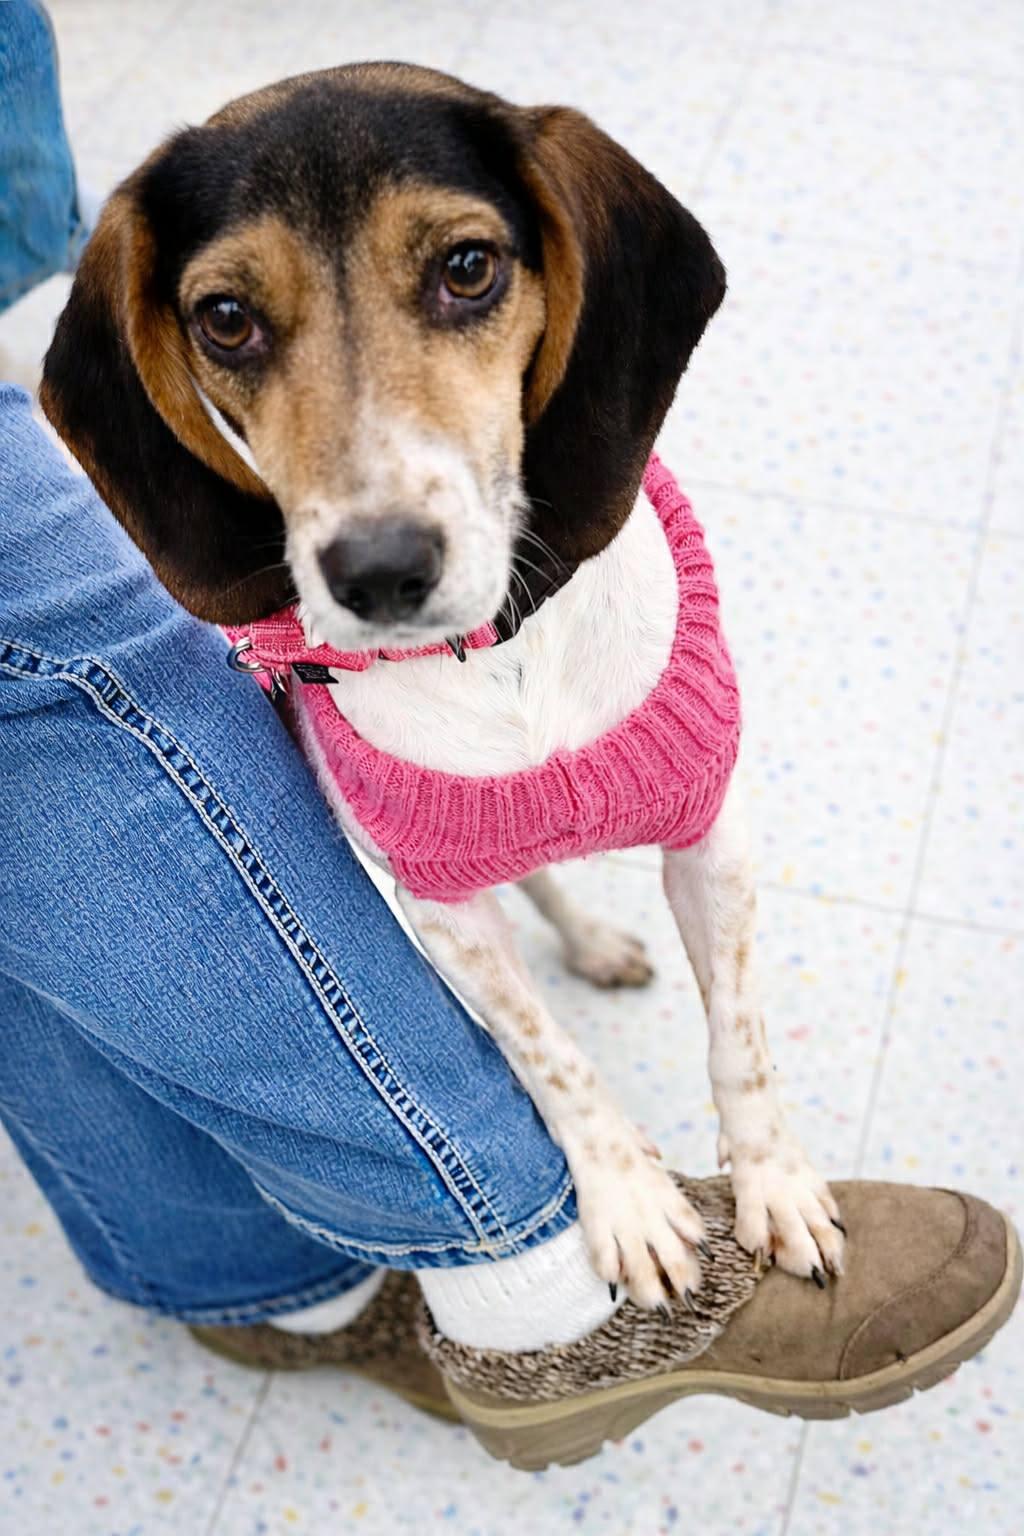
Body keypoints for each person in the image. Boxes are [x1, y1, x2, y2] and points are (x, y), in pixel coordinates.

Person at [0, 0, 1019, 1468]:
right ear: (167, 357)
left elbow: (707, 839)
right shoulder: (298, 636)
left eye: (461, 275)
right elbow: (435, 895)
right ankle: (518, 1259)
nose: (369, 479)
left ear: (566, 276)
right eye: (240, 322)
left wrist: (756, 1128)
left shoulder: (654, 617)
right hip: (425, 782)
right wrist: (604, 1139)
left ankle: (244, 1256)